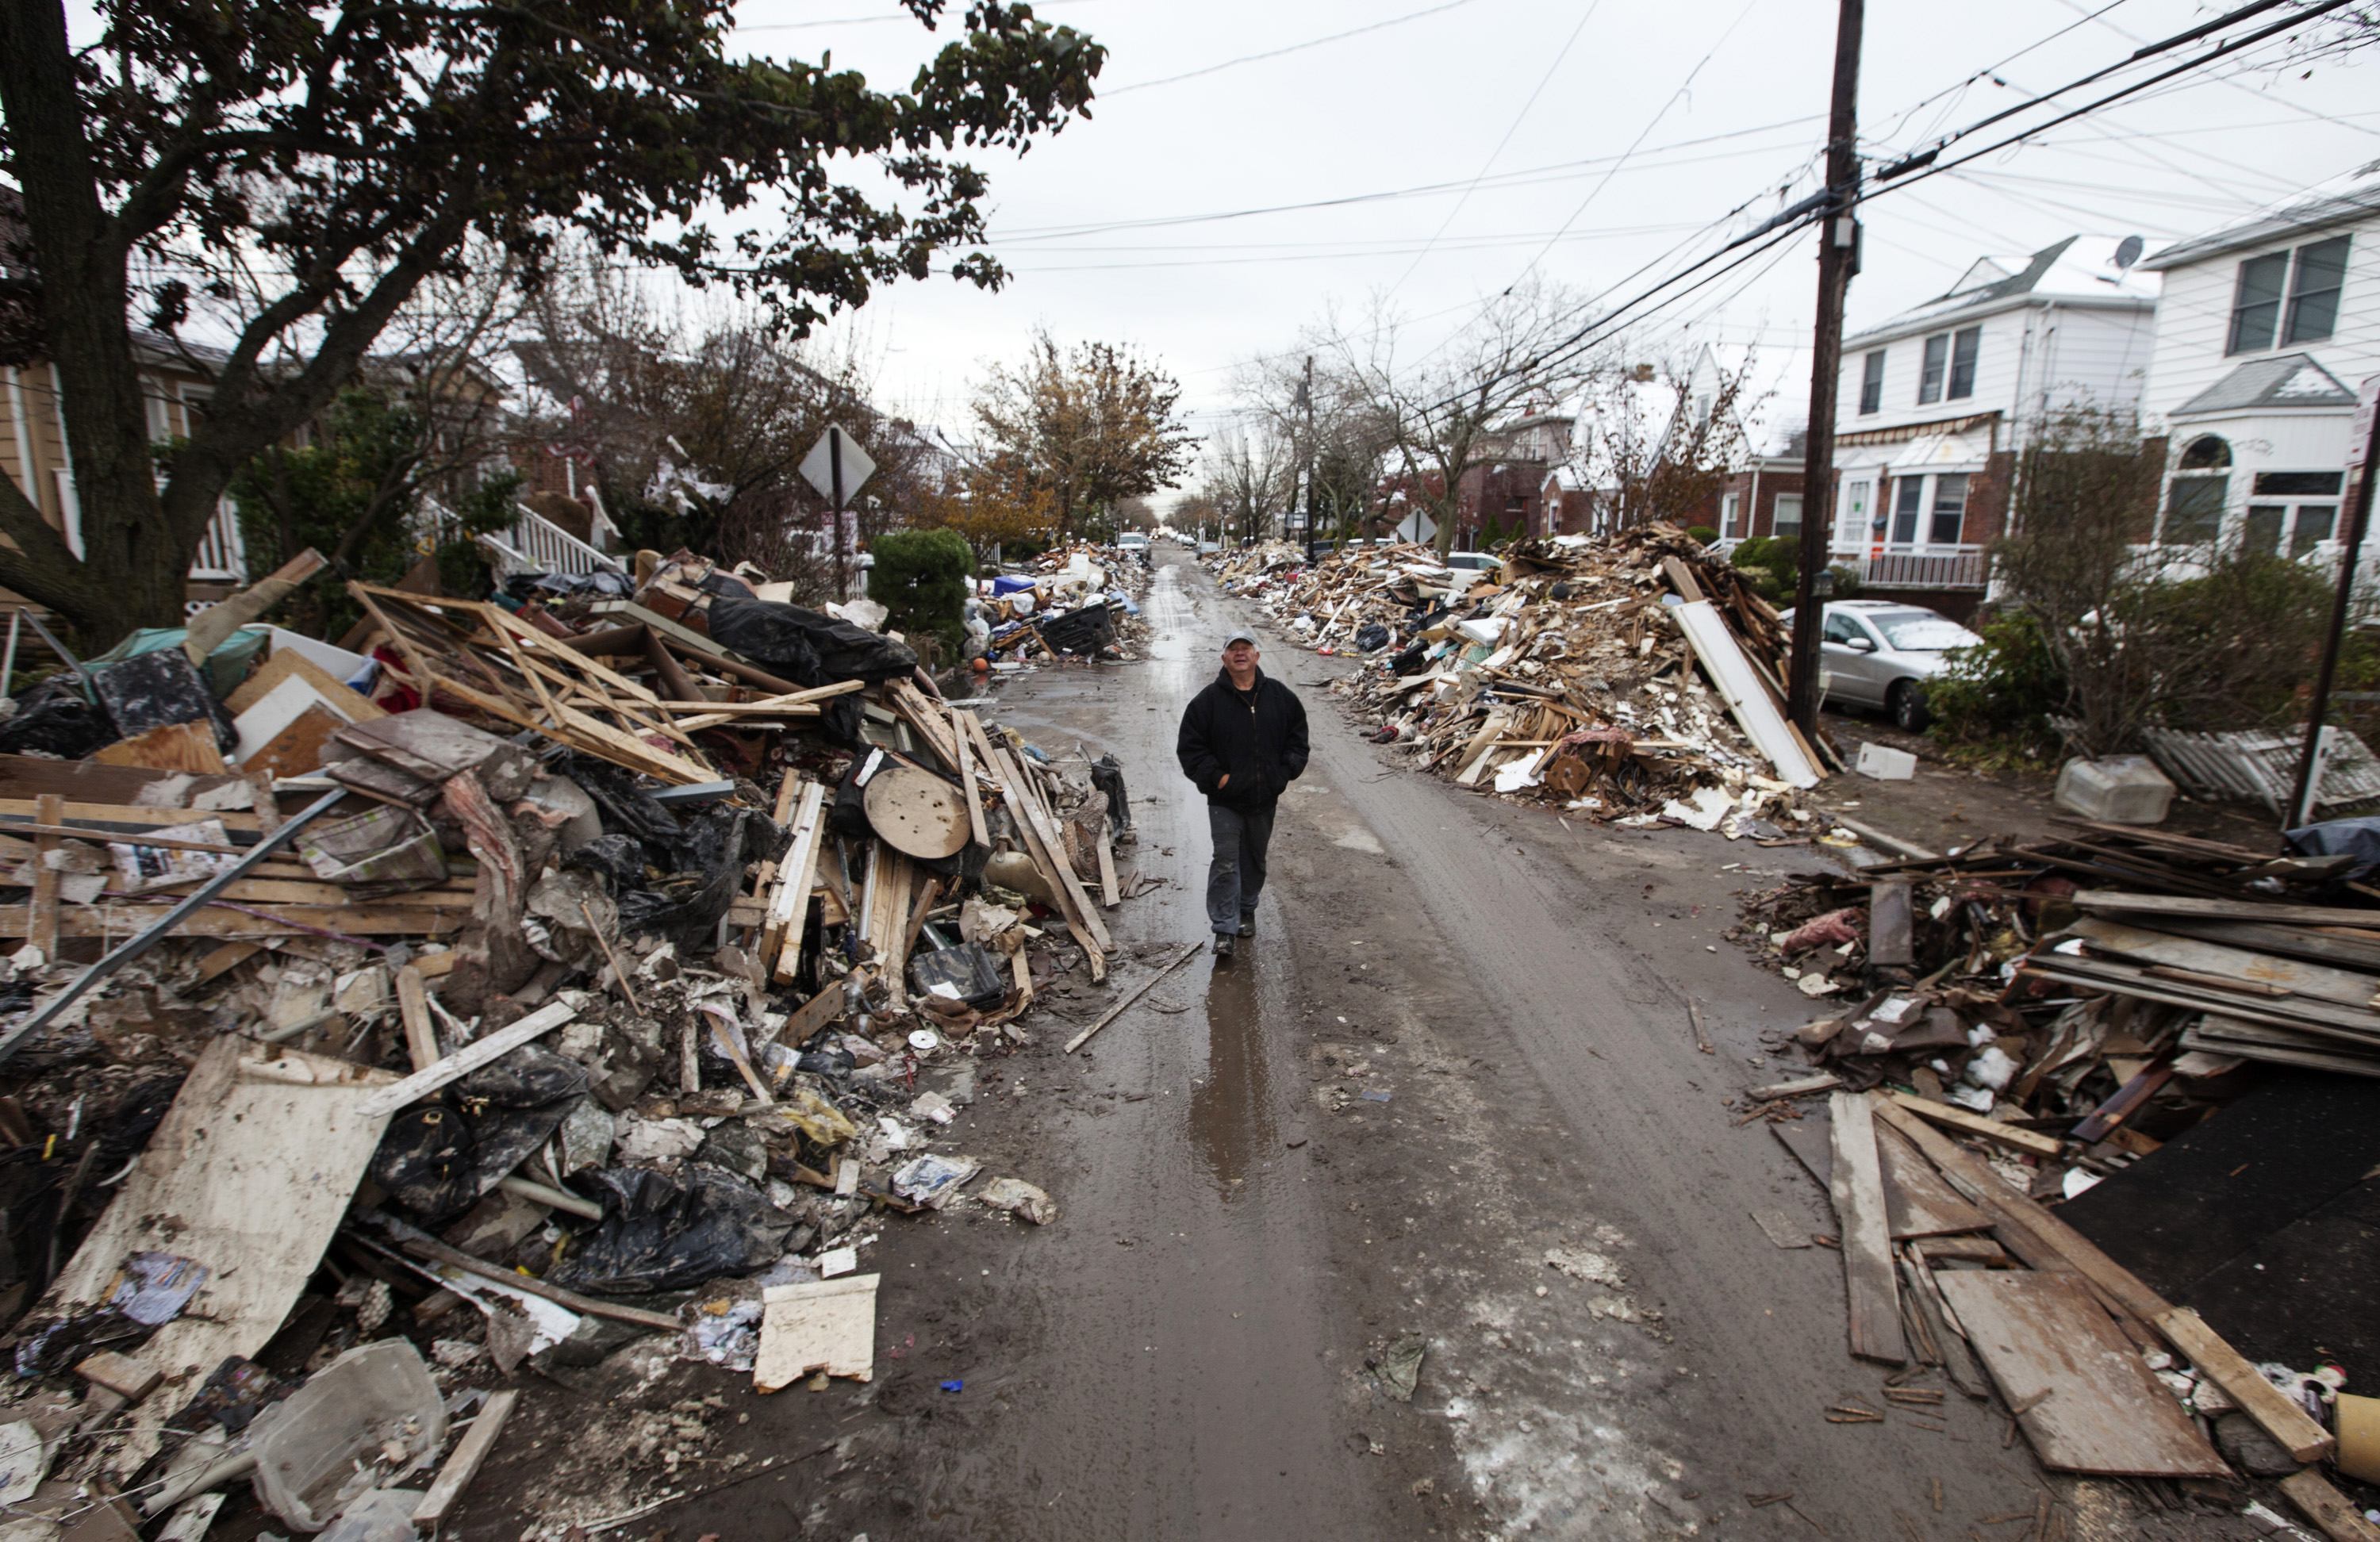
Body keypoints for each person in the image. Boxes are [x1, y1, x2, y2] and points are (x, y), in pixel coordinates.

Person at [1176, 627, 1309, 958]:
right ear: (1224, 658)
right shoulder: (1206, 703)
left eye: (1245, 648)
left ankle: (1246, 910)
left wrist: (1284, 772)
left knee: (1254, 859)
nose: (1240, 653)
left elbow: (1298, 740)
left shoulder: (1280, 697)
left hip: (1265, 798)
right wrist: (1219, 779)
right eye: (1233, 649)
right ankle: (1224, 928)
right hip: (1225, 800)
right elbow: (1191, 750)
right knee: (1225, 860)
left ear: (1256, 656)